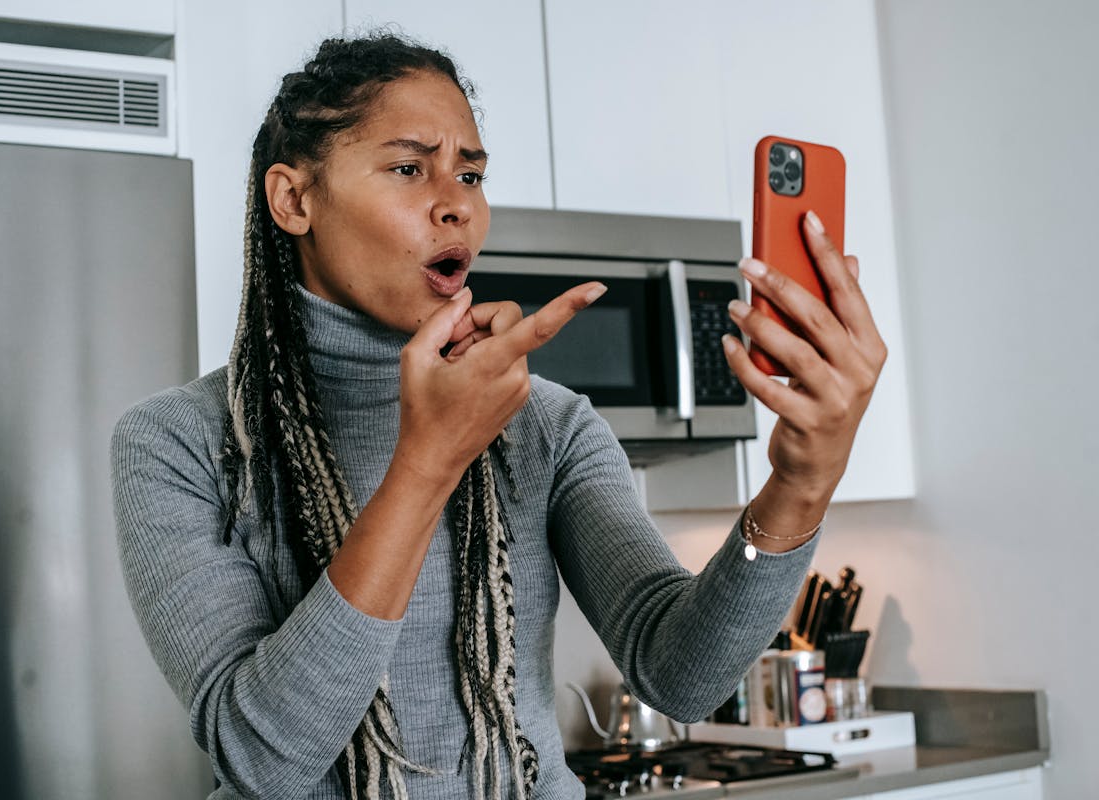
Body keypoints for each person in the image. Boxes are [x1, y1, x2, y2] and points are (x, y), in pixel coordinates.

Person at [109, 32, 886, 800]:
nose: (456, 206)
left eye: (471, 175)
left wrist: (801, 483)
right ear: (295, 199)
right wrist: (427, 464)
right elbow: (263, 760)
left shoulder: (546, 424)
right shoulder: (180, 443)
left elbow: (679, 675)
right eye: (410, 168)